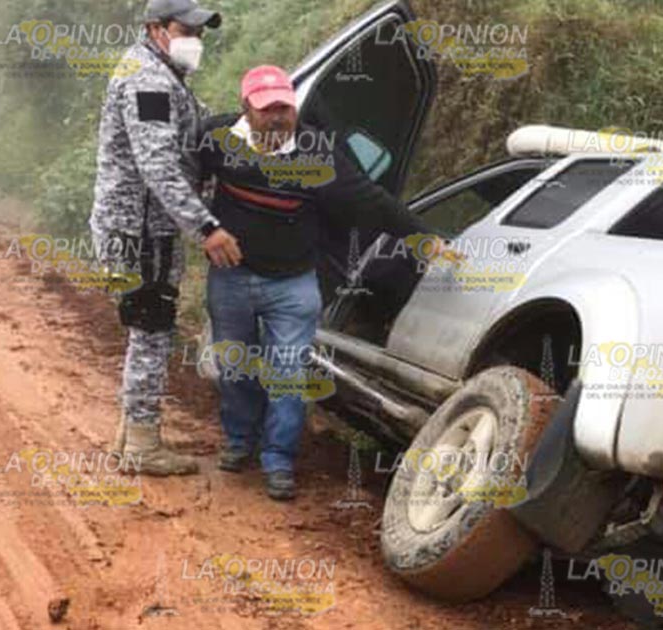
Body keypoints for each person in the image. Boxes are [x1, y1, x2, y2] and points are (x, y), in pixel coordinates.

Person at [196, 65, 455, 500]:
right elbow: (181, 180)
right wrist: (204, 230)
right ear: (246, 109)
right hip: (232, 279)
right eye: (267, 109)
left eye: (285, 108)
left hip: (293, 284)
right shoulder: (216, 138)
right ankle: (240, 441)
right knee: (236, 366)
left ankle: (278, 461)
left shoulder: (318, 152)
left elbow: (369, 201)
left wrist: (423, 237)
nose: (278, 117)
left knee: (290, 375)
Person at [89, 0, 242, 475]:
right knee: (152, 330)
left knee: (146, 328)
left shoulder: (163, 74)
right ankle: (141, 446)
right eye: (186, 29)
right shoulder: (149, 81)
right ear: (155, 29)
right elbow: (158, 166)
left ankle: (129, 436)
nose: (195, 39)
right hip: (140, 230)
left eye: (200, 31)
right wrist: (207, 227)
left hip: (143, 225)